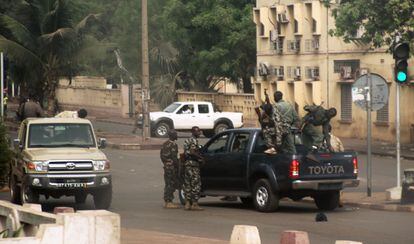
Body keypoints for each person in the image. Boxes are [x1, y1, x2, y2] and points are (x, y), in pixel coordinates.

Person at [183, 126, 204, 210]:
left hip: (187, 164)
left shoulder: (187, 140)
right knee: (196, 184)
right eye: (198, 131)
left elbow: (186, 152)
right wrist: (201, 158)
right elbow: (192, 152)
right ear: (193, 132)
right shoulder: (193, 140)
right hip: (193, 164)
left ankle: (187, 203)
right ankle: (194, 204)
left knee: (188, 184)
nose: (199, 133)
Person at [160, 130, 180, 209]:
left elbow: (161, 156)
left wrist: (166, 163)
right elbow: (174, 158)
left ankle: (167, 201)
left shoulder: (165, 144)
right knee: (171, 184)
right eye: (175, 134)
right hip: (171, 167)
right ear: (172, 136)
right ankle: (169, 201)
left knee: (167, 183)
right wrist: (177, 166)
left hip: (166, 166)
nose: (177, 136)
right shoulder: (173, 145)